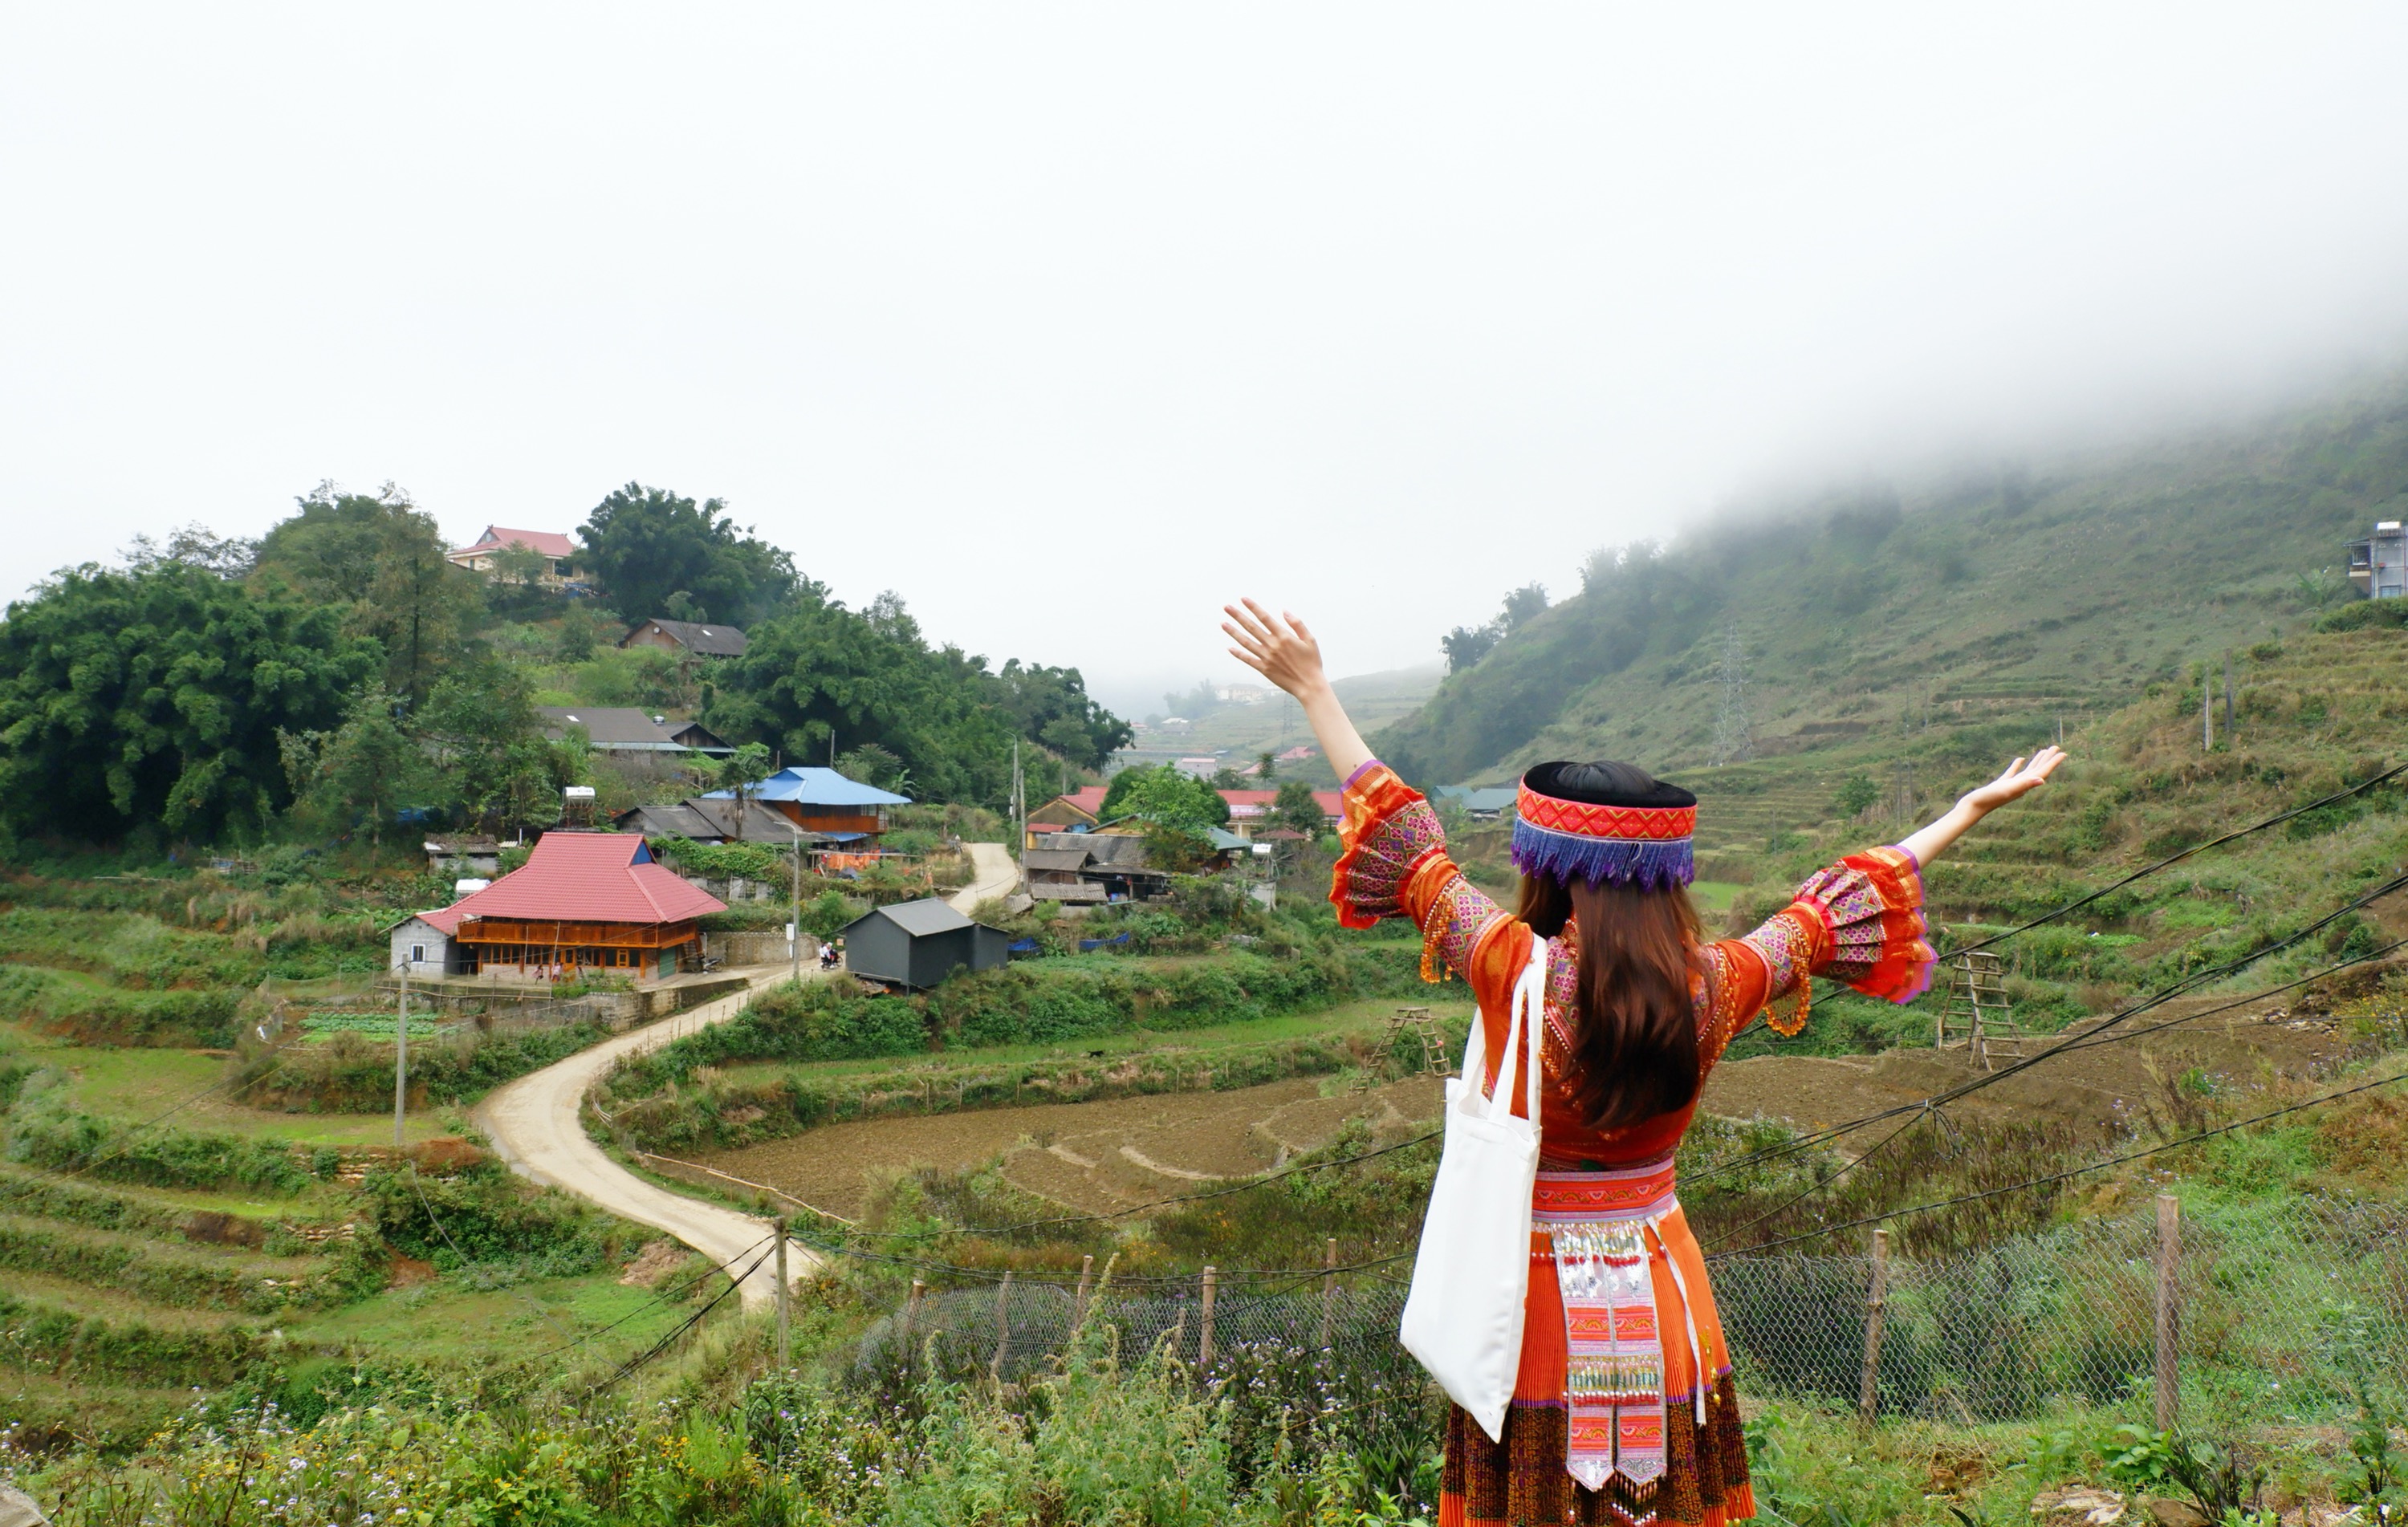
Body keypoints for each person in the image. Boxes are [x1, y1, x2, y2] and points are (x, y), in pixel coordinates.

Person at [1222, 599, 2064, 1527]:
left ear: (1548, 866)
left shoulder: (1512, 968)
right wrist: (1964, 811)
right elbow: (1835, 906)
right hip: (1662, 1290)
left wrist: (1314, 690)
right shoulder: (1717, 983)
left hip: (1526, 1304)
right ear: (1667, 877)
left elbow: (1408, 839)